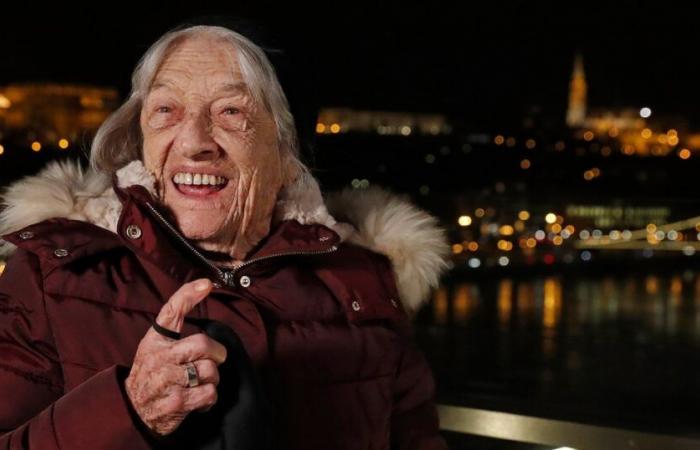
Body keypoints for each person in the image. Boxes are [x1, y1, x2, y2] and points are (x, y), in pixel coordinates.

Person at [0, 23, 450, 449]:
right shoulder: (50, 274)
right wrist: (131, 409)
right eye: (165, 110)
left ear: (287, 152)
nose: (194, 141)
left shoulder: (363, 283)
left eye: (231, 112)